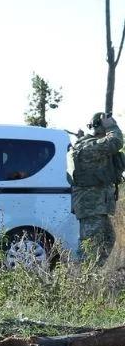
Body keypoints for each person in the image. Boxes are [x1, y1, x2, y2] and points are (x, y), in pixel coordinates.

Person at [71, 112, 124, 264]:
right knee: (89, 247)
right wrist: (111, 126)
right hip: (91, 206)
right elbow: (115, 142)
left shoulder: (88, 144)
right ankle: (82, 281)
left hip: (97, 206)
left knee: (108, 238)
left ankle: (93, 273)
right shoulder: (90, 146)